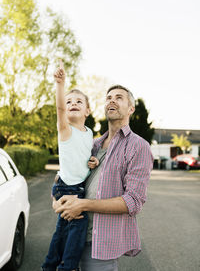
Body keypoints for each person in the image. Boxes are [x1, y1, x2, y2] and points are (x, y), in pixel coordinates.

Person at [54, 84, 154, 271]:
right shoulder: (92, 144)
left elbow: (133, 201)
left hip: (99, 243)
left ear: (131, 109)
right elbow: (66, 177)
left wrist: (83, 205)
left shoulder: (138, 146)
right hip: (72, 234)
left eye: (119, 97)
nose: (112, 100)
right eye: (108, 98)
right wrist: (56, 201)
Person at [42, 60, 98, 271]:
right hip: (67, 187)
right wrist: (60, 85)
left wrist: (93, 160)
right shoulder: (65, 129)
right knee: (78, 226)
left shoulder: (90, 132)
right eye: (69, 102)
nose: (72, 103)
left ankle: (49, 265)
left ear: (88, 110)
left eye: (78, 101)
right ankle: (69, 267)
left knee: (63, 231)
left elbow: (85, 155)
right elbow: (59, 108)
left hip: (78, 186)